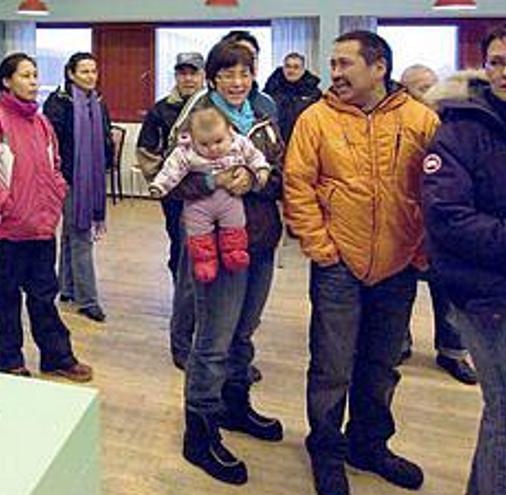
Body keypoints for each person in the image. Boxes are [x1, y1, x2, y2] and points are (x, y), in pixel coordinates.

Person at [284, 30, 440, 495]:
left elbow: (437, 189)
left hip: (399, 264)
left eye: (345, 63)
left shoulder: (421, 120)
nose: (335, 72)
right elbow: (298, 185)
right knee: (332, 365)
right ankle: (327, 449)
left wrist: (420, 249)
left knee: (380, 363)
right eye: (332, 63)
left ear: (379, 68)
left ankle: (369, 444)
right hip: (337, 264)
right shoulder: (315, 119)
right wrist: (321, 247)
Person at [167, 41, 285, 487]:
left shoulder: (266, 110)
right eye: (228, 74)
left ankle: (236, 407)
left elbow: (281, 170)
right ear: (213, 77)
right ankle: (199, 433)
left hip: (261, 238)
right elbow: (171, 177)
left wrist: (257, 178)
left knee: (243, 332)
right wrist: (216, 178)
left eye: (245, 73)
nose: (237, 82)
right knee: (213, 341)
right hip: (215, 243)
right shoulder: (198, 114)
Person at [422, 23, 506, 495]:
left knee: (504, 413)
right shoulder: (459, 129)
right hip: (483, 296)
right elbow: (449, 219)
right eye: (496, 61)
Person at [0, 52, 93, 382]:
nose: (33, 82)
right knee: (5, 300)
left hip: (41, 229)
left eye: (35, 75)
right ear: (7, 81)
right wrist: (7, 206)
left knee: (43, 296)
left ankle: (56, 357)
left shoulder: (41, 122)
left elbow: (55, 167)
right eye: (25, 75)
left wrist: (55, 198)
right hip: (6, 232)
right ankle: (9, 363)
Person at [399, 63, 478, 385]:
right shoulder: (399, 126)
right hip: (407, 226)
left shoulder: (457, 124)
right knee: (399, 292)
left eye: (433, 84)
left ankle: (453, 352)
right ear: (405, 93)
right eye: (421, 87)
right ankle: (399, 344)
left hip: (447, 229)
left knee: (448, 295)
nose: (430, 93)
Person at [149, 102, 271, 283]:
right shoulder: (186, 152)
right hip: (199, 203)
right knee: (199, 232)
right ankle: (205, 261)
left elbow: (255, 156)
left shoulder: (239, 143)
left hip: (230, 199)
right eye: (204, 144)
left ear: (229, 131)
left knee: (235, 224)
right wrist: (160, 185)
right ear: (193, 138)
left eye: (219, 141)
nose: (213, 149)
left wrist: (260, 170)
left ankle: (234, 252)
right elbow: (171, 170)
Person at [43, 52, 114, 323]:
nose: (91, 76)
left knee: (71, 235)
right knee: (81, 235)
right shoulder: (58, 104)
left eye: (94, 71)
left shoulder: (97, 103)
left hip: (90, 179)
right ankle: (89, 300)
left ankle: (68, 288)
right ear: (71, 74)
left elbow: (105, 138)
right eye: (84, 71)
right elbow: (51, 144)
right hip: (68, 179)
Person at [137, 52, 206, 282]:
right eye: (183, 73)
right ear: (176, 76)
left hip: (208, 191)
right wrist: (164, 184)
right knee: (178, 242)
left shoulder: (214, 106)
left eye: (193, 73)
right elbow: (146, 150)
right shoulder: (160, 110)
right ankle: (181, 299)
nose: (188, 79)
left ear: (203, 75)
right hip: (175, 195)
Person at [264, 52, 322, 143]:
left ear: (303, 70)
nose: (291, 70)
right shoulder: (271, 90)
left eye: (296, 67)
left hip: (303, 142)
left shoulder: (314, 94)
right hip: (276, 143)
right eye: (288, 66)